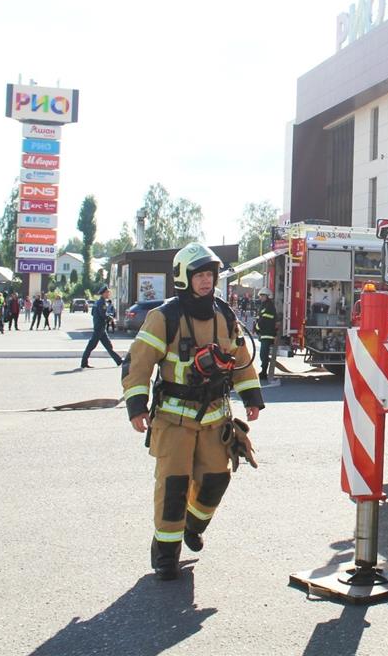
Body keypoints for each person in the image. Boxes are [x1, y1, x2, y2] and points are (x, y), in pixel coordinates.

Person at [122, 243, 263, 581]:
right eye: (199, 275)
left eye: (210, 275)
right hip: (174, 421)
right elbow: (138, 364)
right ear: (184, 278)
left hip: (215, 418)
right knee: (173, 487)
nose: (205, 281)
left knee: (217, 479)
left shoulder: (224, 315)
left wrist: (252, 396)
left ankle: (194, 525)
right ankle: (166, 554)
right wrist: (136, 405)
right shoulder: (164, 318)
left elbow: (240, 361)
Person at [81, 285, 123, 368]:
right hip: (99, 327)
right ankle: (83, 362)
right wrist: (110, 318)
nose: (108, 294)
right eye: (107, 292)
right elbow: (103, 314)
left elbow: (93, 313)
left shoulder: (97, 302)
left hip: (100, 327)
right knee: (91, 345)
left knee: (108, 346)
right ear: (103, 293)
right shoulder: (102, 302)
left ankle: (119, 361)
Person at [254, 289, 277, 380]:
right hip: (264, 333)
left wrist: (257, 328)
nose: (260, 297)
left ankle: (264, 373)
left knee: (263, 354)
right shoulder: (265, 305)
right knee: (263, 354)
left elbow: (263, 321)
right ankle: (263, 371)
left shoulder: (269, 306)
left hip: (267, 334)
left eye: (262, 296)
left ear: (267, 296)